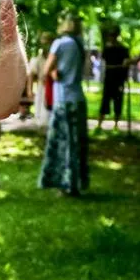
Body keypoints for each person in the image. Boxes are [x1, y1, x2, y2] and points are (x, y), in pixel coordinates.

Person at [41, 17, 87, 195]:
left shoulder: (59, 44)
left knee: (63, 143)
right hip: (78, 99)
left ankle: (65, 184)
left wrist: (53, 71)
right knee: (76, 144)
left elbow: (47, 70)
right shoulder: (79, 45)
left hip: (63, 100)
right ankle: (76, 183)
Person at [95, 26, 131, 134]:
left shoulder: (123, 49)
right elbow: (105, 64)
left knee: (118, 102)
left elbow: (125, 65)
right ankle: (99, 125)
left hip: (119, 79)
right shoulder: (107, 49)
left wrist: (122, 73)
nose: (112, 37)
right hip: (109, 79)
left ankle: (116, 125)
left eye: (113, 35)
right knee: (105, 102)